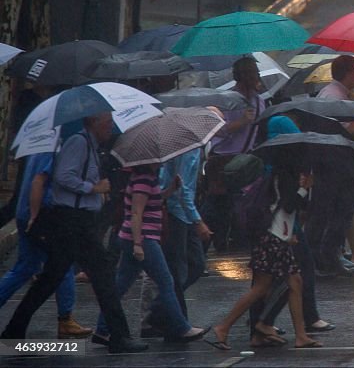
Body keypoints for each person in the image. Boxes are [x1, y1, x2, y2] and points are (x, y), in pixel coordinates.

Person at [0, 113, 148, 354]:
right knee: (102, 277)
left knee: (51, 278)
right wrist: (93, 188)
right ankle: (119, 337)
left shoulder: (90, 145)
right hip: (73, 222)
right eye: (107, 122)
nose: (110, 126)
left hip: (78, 221)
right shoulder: (78, 142)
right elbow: (63, 177)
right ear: (93, 122)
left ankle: (13, 331)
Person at [208, 159, 321, 351]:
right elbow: (288, 206)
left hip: (275, 236)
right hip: (273, 238)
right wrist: (304, 188)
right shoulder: (286, 176)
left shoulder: (280, 174)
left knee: (294, 282)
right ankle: (223, 327)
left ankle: (300, 335)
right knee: (263, 287)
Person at [94, 164, 207, 344]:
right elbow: (136, 213)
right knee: (166, 281)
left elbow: (153, 200)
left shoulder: (145, 179)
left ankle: (102, 329)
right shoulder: (143, 180)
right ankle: (181, 327)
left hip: (135, 239)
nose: (162, 163)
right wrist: (138, 244)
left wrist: (171, 189)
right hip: (143, 239)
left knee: (120, 286)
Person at [248, 114, 334, 344]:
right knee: (288, 277)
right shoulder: (282, 168)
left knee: (274, 280)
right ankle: (250, 325)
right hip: (281, 231)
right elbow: (288, 204)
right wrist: (304, 189)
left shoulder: (273, 162)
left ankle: (264, 327)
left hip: (276, 229)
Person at [0, 148, 92, 339]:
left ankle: (65, 319)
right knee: (63, 263)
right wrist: (35, 216)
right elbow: (39, 181)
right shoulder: (55, 149)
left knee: (25, 267)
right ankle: (65, 319)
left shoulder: (40, 146)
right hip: (41, 215)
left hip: (25, 212)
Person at [312, 55, 354, 271]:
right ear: (347, 73)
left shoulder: (336, 94)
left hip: (335, 164)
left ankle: (329, 257)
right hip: (335, 166)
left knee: (336, 211)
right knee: (338, 211)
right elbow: (341, 133)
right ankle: (326, 258)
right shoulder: (334, 98)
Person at [142, 146, 211, 337]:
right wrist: (197, 220)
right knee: (177, 272)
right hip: (178, 214)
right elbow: (183, 189)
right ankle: (177, 324)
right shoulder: (189, 150)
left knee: (194, 266)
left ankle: (160, 310)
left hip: (184, 213)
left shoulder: (196, 149)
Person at [204, 56, 264, 252]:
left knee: (244, 203)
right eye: (253, 73)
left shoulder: (259, 101)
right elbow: (217, 130)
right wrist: (241, 123)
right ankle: (210, 238)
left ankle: (239, 241)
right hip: (224, 158)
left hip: (246, 159)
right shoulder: (227, 100)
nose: (257, 77)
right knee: (218, 204)